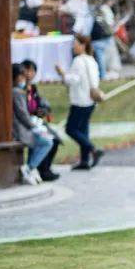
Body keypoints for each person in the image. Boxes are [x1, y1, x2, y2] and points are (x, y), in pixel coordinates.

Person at [54, 34, 101, 170]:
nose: (73, 47)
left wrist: (62, 73)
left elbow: (73, 80)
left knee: (71, 129)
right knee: (83, 130)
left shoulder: (78, 61)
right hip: (91, 101)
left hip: (80, 101)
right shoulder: (92, 60)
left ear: (83, 45)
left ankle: (92, 149)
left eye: (75, 44)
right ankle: (84, 161)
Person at [11, 63, 55, 185]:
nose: (23, 79)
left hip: (25, 126)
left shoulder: (22, 91)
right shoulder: (16, 92)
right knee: (47, 142)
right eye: (21, 76)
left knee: (49, 139)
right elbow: (22, 114)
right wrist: (34, 127)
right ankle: (29, 168)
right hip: (20, 129)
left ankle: (32, 168)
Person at [19, 60, 61, 182]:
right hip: (28, 124)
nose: (29, 73)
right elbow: (24, 111)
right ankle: (34, 168)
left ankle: (45, 168)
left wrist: (43, 111)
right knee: (46, 140)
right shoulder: (19, 90)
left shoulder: (33, 88)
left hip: (36, 120)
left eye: (32, 71)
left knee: (55, 139)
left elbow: (36, 106)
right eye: (26, 70)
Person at [90, 0, 116, 80]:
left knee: (100, 57)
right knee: (103, 56)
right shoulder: (103, 10)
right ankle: (104, 73)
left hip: (98, 38)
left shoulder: (95, 12)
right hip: (103, 37)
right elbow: (109, 22)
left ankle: (103, 74)